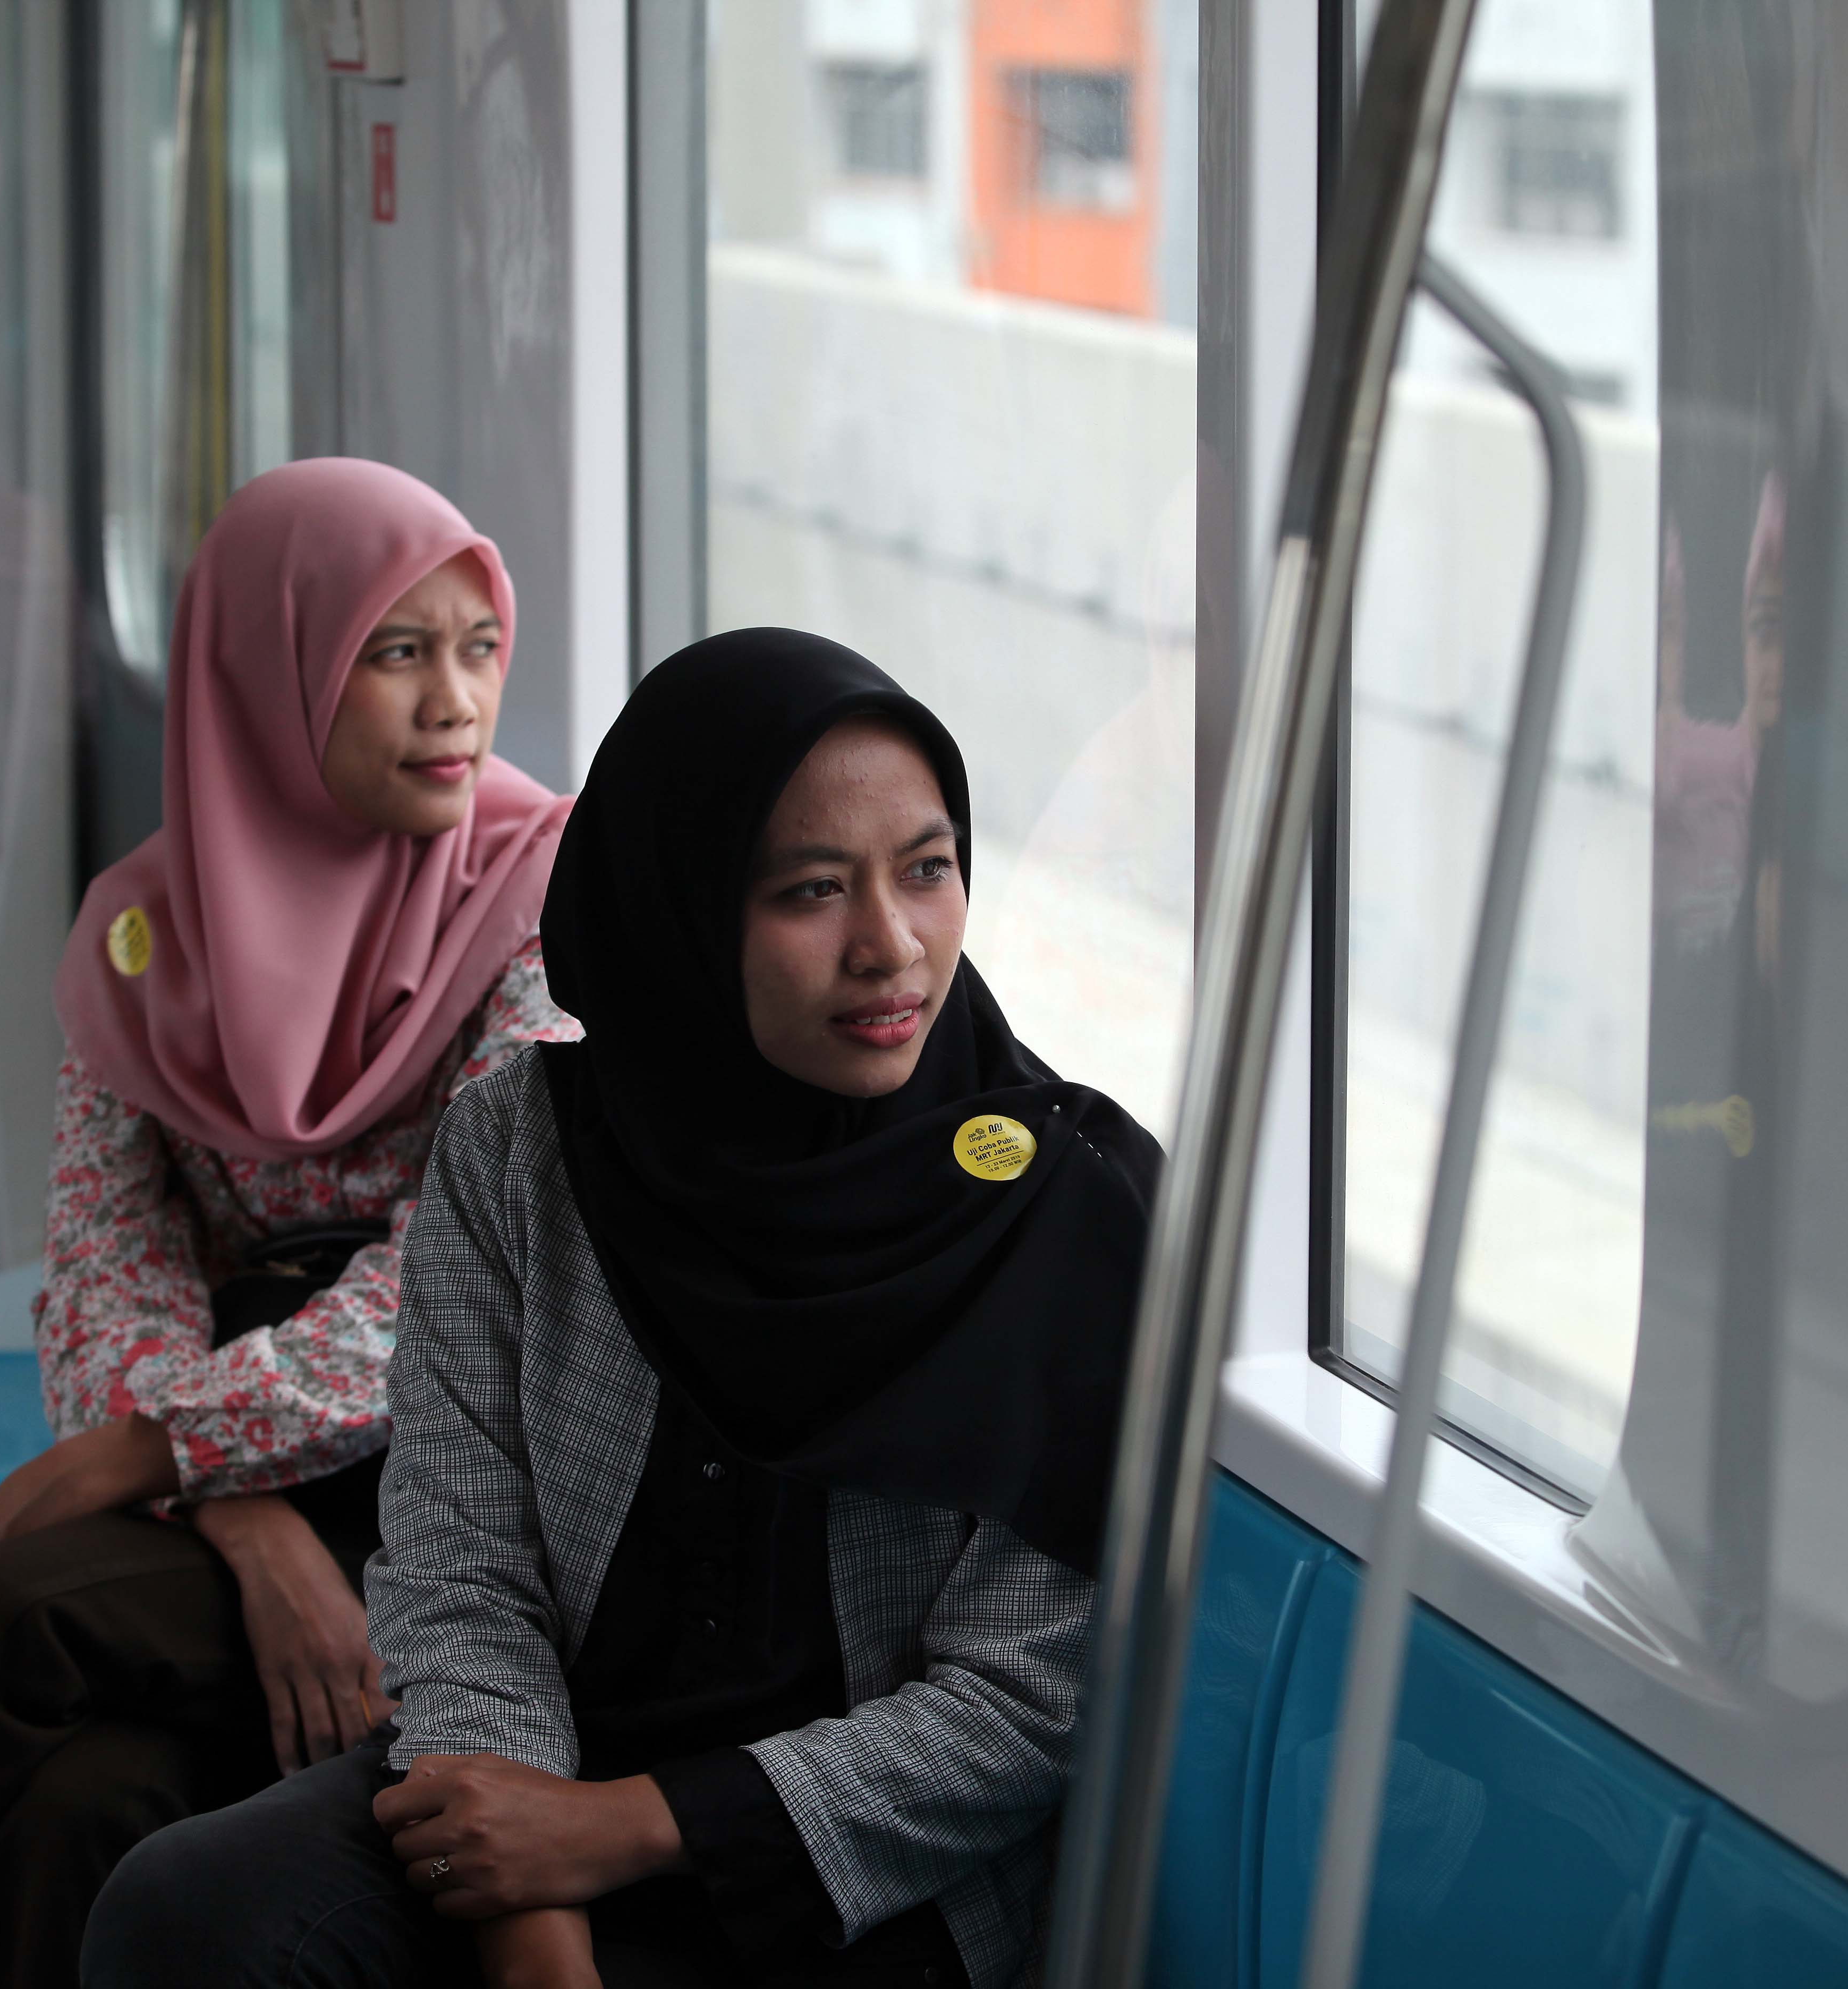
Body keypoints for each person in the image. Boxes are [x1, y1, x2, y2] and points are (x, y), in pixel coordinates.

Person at [81, 630, 1164, 1989]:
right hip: (533, 1770)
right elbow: (461, 1565)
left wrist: (614, 1832)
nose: (892, 945)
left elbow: (1023, 1708)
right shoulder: (523, 1148)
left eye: (930, 868)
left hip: (848, 1873)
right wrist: (535, 1925)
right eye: (812, 890)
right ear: (683, 908)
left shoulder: (1058, 1211)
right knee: (186, 1908)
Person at [0, 457, 579, 1989]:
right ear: (264, 671)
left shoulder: (542, 906)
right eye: (395, 653)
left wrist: (145, 1457)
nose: (453, 704)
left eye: (477, 647)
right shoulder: (140, 935)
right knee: (84, 1811)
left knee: (3, 1613)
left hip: (464, 1486)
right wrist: (229, 1506)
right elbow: (101, 1280)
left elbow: (455, 1286)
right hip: (229, 1469)